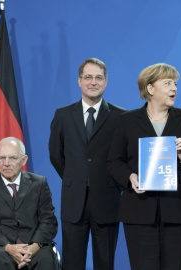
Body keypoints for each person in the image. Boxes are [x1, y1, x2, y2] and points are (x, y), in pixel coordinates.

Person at [107, 63, 181, 269]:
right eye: (168, 83)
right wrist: (130, 177)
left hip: (178, 208)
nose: (174, 88)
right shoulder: (126, 121)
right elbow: (114, 161)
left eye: (175, 84)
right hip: (140, 209)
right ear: (150, 89)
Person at [49, 58, 126, 269]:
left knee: (105, 263)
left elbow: (126, 158)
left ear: (106, 82)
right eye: (88, 77)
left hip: (108, 200)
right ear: (79, 81)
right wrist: (76, 178)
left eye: (98, 78)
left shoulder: (121, 117)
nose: (93, 82)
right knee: (72, 263)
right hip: (74, 202)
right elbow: (56, 155)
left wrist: (111, 182)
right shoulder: (63, 115)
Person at [0, 137, 58, 269]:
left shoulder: (39, 183)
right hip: (1, 247)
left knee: (45, 258)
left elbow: (48, 221)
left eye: (13, 158)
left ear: (23, 160)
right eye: (2, 158)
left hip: (34, 246)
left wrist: (34, 247)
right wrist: (8, 247)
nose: (6, 163)